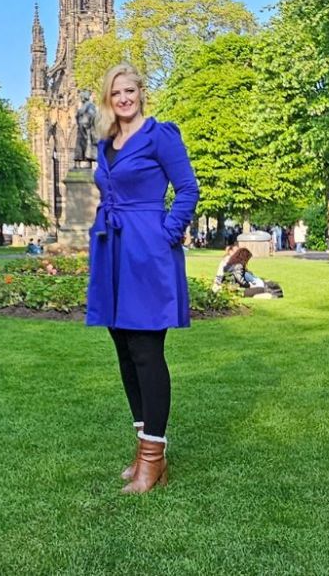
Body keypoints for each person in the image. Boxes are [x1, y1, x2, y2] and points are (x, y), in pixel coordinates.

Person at [87, 63, 199, 495]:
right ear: (108, 98)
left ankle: (154, 460)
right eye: (116, 93)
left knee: (147, 350)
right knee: (124, 351)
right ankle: (143, 452)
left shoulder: (160, 135)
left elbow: (187, 188)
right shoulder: (106, 142)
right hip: (113, 250)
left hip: (147, 251)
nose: (124, 99)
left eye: (129, 90)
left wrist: (166, 233)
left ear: (141, 93)